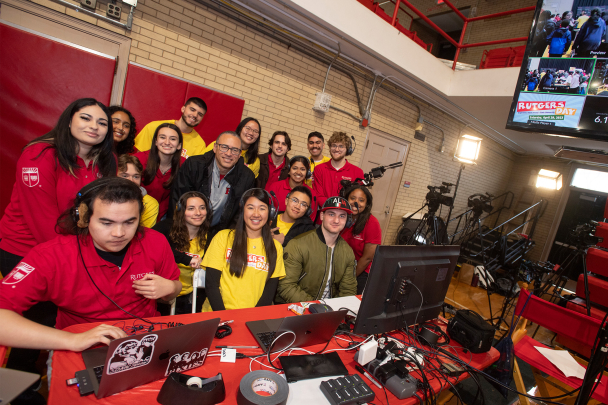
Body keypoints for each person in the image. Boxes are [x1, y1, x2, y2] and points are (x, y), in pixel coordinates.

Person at [0, 98, 116, 399]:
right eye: (86, 118)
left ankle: (36, 378)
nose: (94, 126)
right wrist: (81, 260)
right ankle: (18, 388)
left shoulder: (105, 160)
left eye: (102, 123)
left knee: (54, 318)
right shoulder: (39, 154)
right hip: (27, 248)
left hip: (71, 247)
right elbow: (43, 224)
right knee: (34, 321)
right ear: (68, 120)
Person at [0, 178, 181, 351]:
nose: (119, 233)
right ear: (84, 217)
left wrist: (171, 287)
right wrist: (73, 340)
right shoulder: (50, 256)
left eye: (129, 222)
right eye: (106, 222)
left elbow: (173, 289)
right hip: (80, 346)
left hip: (145, 340)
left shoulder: (155, 241)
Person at [201, 188, 285, 311]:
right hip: (219, 315)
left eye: (262, 208)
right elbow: (211, 284)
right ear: (242, 210)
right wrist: (225, 318)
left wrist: (252, 318)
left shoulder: (275, 247)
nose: (256, 214)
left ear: (270, 213)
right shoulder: (223, 237)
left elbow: (270, 291)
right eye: (250, 207)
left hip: (255, 318)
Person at [170, 131, 255, 237]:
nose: (228, 153)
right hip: (186, 228)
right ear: (215, 147)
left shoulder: (247, 177)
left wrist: (226, 237)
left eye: (234, 150)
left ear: (239, 154)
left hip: (219, 233)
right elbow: (178, 199)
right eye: (224, 147)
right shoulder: (194, 165)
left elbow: (240, 213)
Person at [276, 196, 357, 304]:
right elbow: (286, 286)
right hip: (298, 309)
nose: (336, 220)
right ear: (322, 216)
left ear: (347, 221)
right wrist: (317, 307)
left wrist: (335, 310)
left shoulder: (347, 252)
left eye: (342, 216)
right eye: (331, 214)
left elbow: (348, 291)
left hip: (330, 311)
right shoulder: (298, 244)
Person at [153, 191, 211, 314]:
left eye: (202, 208)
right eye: (191, 208)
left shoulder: (211, 235)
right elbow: (156, 248)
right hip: (164, 296)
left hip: (192, 295)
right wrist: (188, 259)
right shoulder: (166, 227)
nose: (198, 213)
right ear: (180, 210)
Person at [134, 123, 186, 221]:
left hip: (165, 217)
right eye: (162, 137)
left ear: (179, 145)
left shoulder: (184, 165)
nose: (167, 142)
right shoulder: (139, 160)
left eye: (173, 139)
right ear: (155, 142)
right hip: (137, 211)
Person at [340, 185, 382, 295]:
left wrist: (350, 278)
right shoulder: (341, 217)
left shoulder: (372, 223)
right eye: (352, 198)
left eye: (361, 200)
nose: (356, 203)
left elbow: (368, 257)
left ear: (367, 204)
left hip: (361, 269)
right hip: (343, 266)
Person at [134, 97, 207, 158]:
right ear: (183, 109)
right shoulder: (154, 127)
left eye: (200, 114)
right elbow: (138, 158)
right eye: (192, 110)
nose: (195, 115)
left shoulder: (200, 145)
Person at [313, 132, 364, 210]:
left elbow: (358, 198)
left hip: (346, 217)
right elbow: (319, 196)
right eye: (334, 145)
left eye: (341, 146)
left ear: (347, 150)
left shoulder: (358, 172)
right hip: (324, 216)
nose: (336, 149)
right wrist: (334, 210)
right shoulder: (319, 169)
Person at [266, 155, 317, 220]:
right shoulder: (275, 187)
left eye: (302, 169)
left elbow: (311, 219)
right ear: (289, 170)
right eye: (295, 168)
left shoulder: (311, 193)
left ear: (307, 173)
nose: (298, 172)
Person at [117, 155, 159, 228]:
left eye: (136, 177)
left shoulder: (149, 204)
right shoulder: (101, 197)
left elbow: (144, 234)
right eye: (125, 176)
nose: (131, 180)